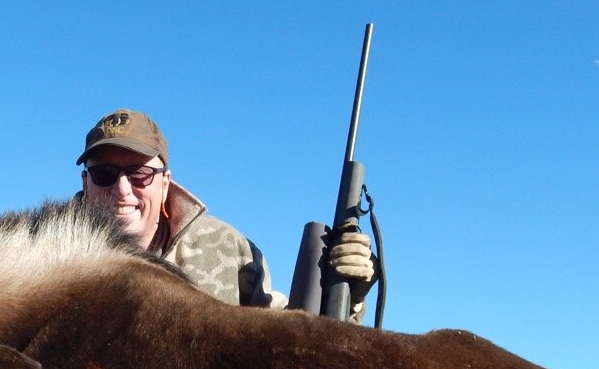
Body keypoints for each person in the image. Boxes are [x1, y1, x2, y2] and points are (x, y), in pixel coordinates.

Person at [76, 108, 375, 318]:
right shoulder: (48, 261)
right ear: (86, 183)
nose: (122, 190)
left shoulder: (232, 251)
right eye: (104, 174)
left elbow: (292, 336)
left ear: (165, 183)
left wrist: (349, 297)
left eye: (140, 174)